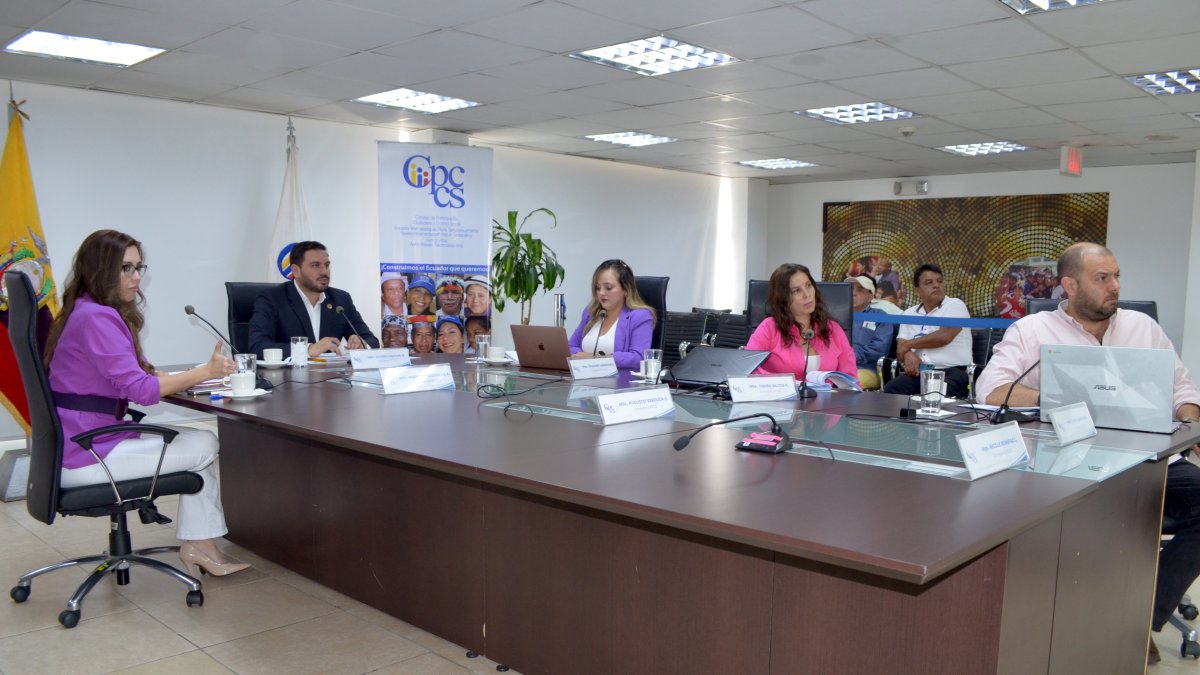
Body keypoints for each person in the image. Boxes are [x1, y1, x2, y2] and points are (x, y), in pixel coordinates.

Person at [974, 242, 1200, 665]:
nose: (1115, 286)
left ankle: (1138, 614)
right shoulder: (1033, 331)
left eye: (1117, 276)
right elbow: (990, 390)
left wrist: (1191, 419)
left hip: (1151, 461)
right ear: (1070, 285)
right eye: (1102, 278)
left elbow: (1182, 389)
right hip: (1066, 462)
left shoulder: (1143, 328)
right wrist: (1059, 395)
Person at [43, 230, 250, 577]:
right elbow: (142, 391)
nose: (136, 276)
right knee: (204, 442)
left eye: (139, 267)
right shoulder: (97, 317)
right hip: (88, 452)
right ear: (100, 269)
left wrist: (165, 374)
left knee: (193, 447)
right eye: (126, 268)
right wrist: (205, 371)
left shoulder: (83, 310)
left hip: (78, 442)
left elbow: (120, 374)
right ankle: (200, 546)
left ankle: (201, 546)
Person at [248, 241, 379, 358]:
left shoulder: (340, 300)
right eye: (316, 265)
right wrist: (308, 349)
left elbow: (372, 340)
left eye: (327, 265)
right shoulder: (272, 299)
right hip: (289, 376)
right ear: (296, 270)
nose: (324, 272)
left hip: (331, 375)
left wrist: (362, 343)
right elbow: (258, 346)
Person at [746, 263, 856, 381]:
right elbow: (747, 367)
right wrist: (784, 384)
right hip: (781, 392)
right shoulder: (769, 327)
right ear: (783, 298)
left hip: (828, 393)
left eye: (808, 285)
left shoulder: (833, 329)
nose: (807, 294)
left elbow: (851, 379)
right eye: (796, 291)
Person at [883, 263, 973, 398]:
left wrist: (908, 345)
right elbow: (900, 348)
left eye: (939, 281)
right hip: (920, 373)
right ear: (917, 290)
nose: (936, 285)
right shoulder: (909, 313)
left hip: (951, 373)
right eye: (929, 282)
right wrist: (907, 354)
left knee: (932, 396)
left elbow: (944, 336)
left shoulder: (955, 305)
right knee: (891, 390)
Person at [567, 259, 655, 370]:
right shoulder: (591, 312)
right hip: (584, 377)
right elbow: (570, 346)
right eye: (598, 288)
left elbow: (638, 358)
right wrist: (579, 356)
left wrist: (596, 358)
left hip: (621, 380)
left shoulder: (640, 316)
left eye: (608, 287)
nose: (601, 293)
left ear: (626, 289)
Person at [847, 274, 894, 389]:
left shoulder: (880, 316)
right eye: (851, 288)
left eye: (860, 290)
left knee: (850, 382)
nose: (853, 293)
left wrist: (849, 357)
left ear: (870, 297)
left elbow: (879, 349)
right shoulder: (838, 315)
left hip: (867, 369)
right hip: (837, 366)